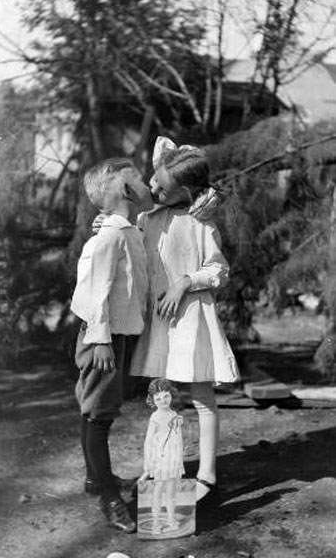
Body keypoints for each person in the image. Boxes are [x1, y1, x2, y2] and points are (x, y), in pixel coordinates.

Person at [130, 138, 240, 503]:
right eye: (154, 179)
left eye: (163, 186)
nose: (153, 187)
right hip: (159, 322)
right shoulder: (147, 219)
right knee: (162, 395)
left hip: (191, 317)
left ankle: (207, 473)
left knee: (201, 395)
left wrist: (185, 282)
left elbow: (219, 271)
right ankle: (163, 465)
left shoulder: (200, 223)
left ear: (187, 191)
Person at [71, 158, 153, 533]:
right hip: (101, 335)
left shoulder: (125, 229)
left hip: (114, 333)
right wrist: (100, 340)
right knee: (99, 415)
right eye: (138, 178)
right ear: (124, 190)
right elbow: (96, 292)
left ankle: (94, 478)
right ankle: (108, 497)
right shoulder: (111, 236)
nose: (147, 183)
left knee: (96, 409)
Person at [139, 378, 184, 534]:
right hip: (160, 458)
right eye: (158, 398)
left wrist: (179, 458)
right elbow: (148, 441)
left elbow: (178, 438)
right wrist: (148, 462)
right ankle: (156, 523)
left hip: (173, 458)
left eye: (166, 396)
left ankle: (171, 520)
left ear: (171, 395)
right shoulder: (155, 418)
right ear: (152, 400)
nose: (163, 401)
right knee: (158, 491)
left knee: (171, 492)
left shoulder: (174, 414)